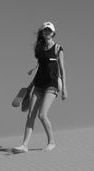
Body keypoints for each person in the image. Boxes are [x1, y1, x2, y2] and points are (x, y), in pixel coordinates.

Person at [12, 21, 66, 153]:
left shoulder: (58, 48)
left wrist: (64, 89)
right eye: (45, 30)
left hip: (51, 85)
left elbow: (62, 70)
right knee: (31, 114)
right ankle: (24, 145)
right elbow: (39, 70)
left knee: (42, 115)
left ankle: (51, 142)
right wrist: (30, 86)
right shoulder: (40, 50)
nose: (47, 32)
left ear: (53, 33)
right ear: (42, 32)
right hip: (38, 85)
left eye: (49, 30)